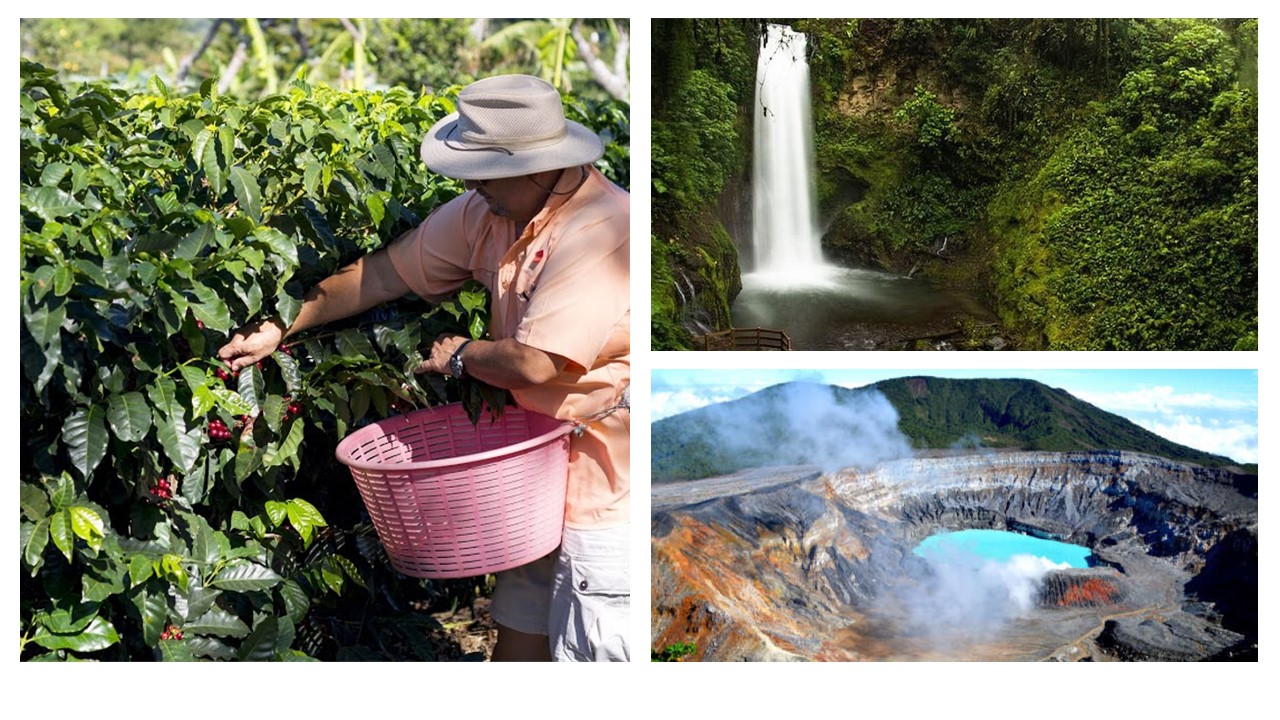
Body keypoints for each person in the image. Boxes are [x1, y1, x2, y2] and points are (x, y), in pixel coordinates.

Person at [217, 74, 630, 662]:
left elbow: (536, 363)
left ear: (536, 168)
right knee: (522, 633)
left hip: (607, 490)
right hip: (533, 481)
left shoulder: (603, 231)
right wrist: (283, 324)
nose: (470, 184)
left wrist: (458, 355)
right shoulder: (488, 213)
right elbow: (382, 274)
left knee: (595, 647)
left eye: (482, 172)